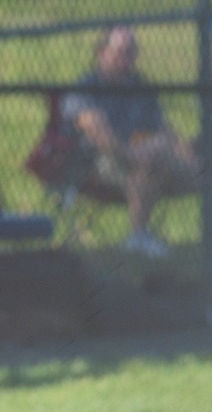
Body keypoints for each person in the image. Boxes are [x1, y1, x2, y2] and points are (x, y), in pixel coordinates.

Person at [64, 25, 195, 257]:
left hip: (146, 156)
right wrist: (131, 153)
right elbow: (96, 130)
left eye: (131, 53)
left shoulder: (139, 86)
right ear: (101, 53)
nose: (125, 59)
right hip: (97, 163)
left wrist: (183, 151)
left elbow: (161, 128)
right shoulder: (85, 87)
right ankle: (138, 237)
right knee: (150, 159)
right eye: (119, 52)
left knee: (204, 168)